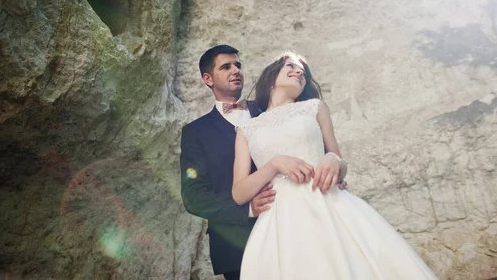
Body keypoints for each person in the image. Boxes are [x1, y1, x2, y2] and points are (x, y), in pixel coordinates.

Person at [232, 52, 439, 280]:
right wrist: (274, 164)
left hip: (327, 201)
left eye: (303, 72)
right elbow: (239, 193)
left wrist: (333, 160)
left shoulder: (315, 107)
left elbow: (339, 161)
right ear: (271, 77)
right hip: (280, 219)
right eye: (291, 66)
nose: (299, 72)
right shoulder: (246, 129)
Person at [180, 45, 276, 280]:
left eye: (238, 65)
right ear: (207, 78)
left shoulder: (272, 111)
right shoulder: (195, 133)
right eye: (226, 66)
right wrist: (248, 208)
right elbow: (194, 197)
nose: (236, 70)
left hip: (285, 229)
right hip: (236, 247)